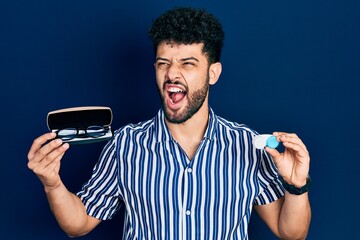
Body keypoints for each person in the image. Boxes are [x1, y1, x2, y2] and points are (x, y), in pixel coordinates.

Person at [27, 7, 311, 239]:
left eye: (187, 63)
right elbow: (79, 224)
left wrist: (297, 185)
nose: (172, 74)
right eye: (164, 63)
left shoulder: (247, 144)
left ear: (213, 73)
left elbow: (290, 232)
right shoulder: (125, 144)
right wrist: (52, 184)